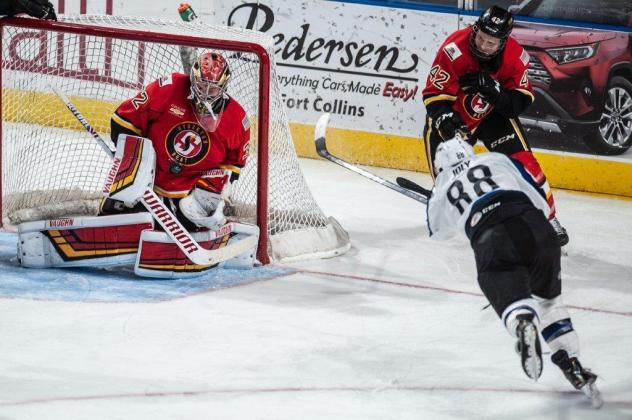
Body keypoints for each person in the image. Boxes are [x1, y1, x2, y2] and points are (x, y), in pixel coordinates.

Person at [426, 137, 601, 406]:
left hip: (491, 235)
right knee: (549, 301)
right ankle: (571, 362)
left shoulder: (443, 184)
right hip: (535, 226)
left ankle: (521, 321)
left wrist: (440, 203)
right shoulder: (496, 159)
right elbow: (540, 199)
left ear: (440, 166)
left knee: (503, 284)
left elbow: (437, 231)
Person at [421, 5, 568, 246]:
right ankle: (455, 198)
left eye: (492, 42)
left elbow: (516, 105)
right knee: (449, 181)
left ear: (503, 41)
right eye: (481, 38)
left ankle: (549, 219)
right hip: (456, 118)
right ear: (475, 29)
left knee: (527, 167)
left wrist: (494, 91)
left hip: (493, 117)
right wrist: (448, 123)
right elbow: (434, 96)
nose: (483, 46)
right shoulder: (453, 49)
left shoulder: (515, 56)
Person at [103, 51, 251, 232]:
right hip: (146, 184)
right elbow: (123, 121)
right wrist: (134, 164)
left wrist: (216, 194)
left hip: (188, 195)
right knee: (115, 213)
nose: (205, 94)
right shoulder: (168, 88)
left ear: (223, 87)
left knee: (199, 213)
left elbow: (233, 166)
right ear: (193, 79)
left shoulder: (237, 118)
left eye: (212, 89)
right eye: (202, 85)